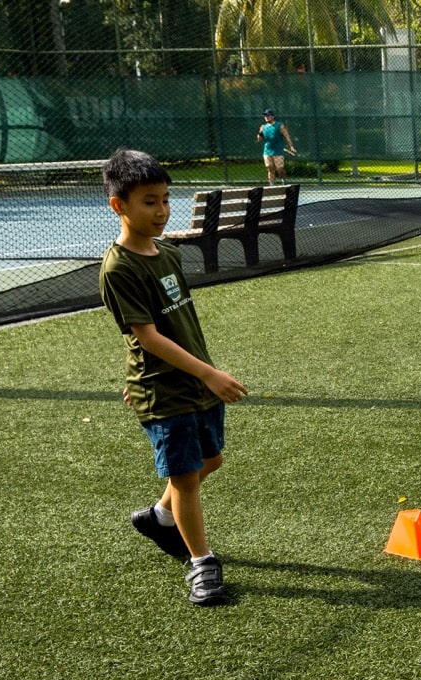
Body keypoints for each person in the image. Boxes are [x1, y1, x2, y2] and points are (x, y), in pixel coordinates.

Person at [99, 148, 249, 606]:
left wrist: (202, 373)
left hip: (192, 380)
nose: (161, 210)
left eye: (165, 199)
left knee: (211, 461)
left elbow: (170, 326)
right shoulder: (119, 268)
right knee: (186, 477)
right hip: (167, 389)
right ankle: (201, 564)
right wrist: (209, 374)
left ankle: (158, 517)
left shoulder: (169, 254)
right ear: (119, 205)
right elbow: (145, 336)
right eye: (149, 201)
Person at [256, 108, 297, 186]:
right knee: (269, 167)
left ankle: (283, 179)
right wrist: (260, 132)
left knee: (279, 168)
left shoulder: (279, 125)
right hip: (267, 150)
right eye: (265, 115)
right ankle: (272, 185)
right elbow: (259, 139)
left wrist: (291, 146)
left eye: (268, 115)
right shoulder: (263, 127)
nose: (266, 117)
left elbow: (287, 136)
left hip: (278, 150)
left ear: (273, 116)